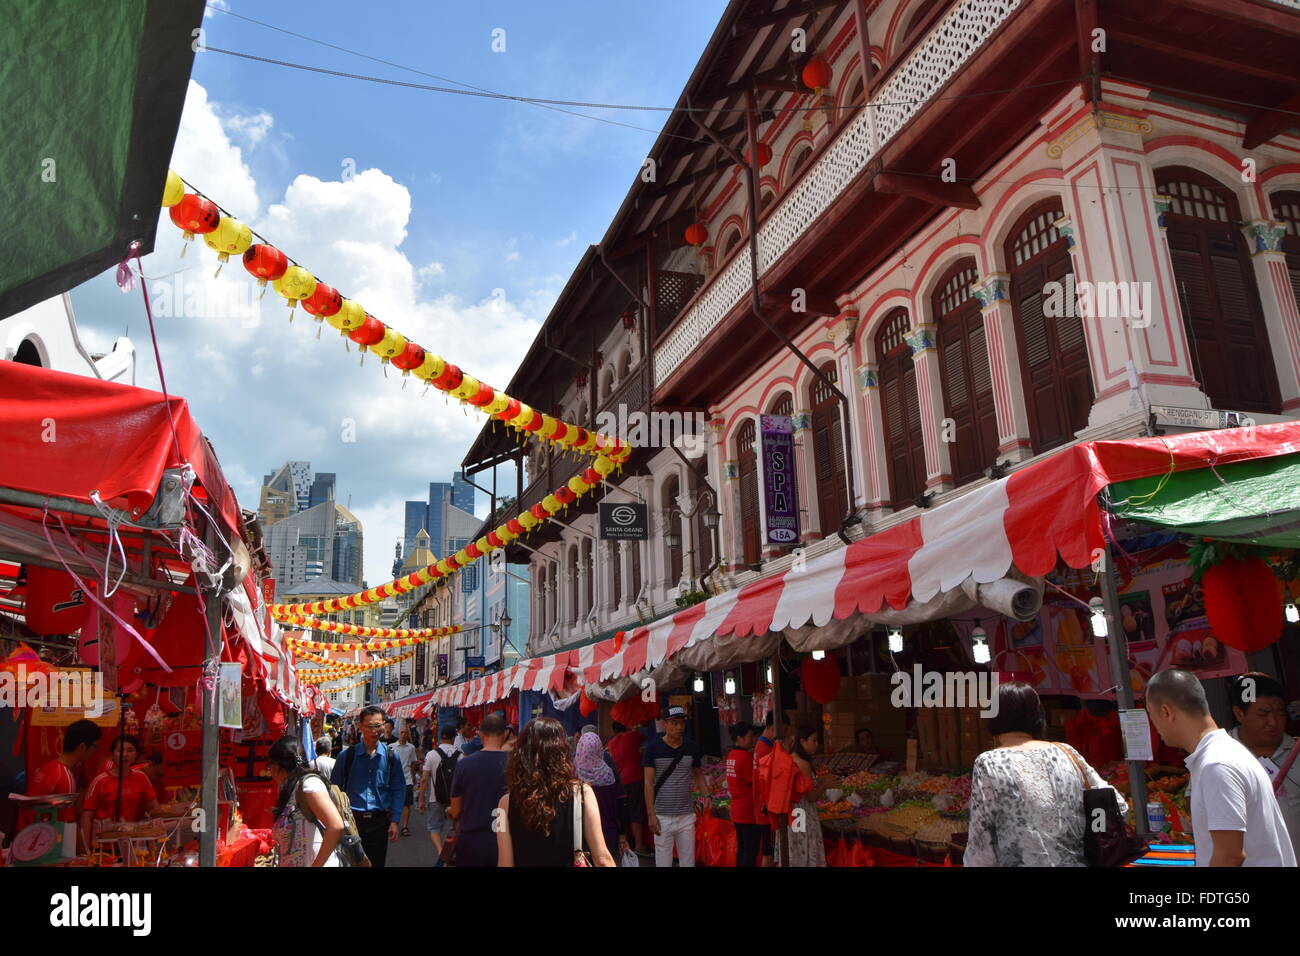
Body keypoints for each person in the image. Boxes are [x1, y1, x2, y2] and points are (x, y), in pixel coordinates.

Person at [965, 681, 1127, 867]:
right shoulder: (1066, 752)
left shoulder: (989, 762)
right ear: (1038, 715)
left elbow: (980, 840)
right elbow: (1118, 806)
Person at [1146, 668, 1296, 867]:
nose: (1154, 726)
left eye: (1151, 715)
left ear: (1166, 712)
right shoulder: (1224, 753)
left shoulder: (1217, 764)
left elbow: (1230, 856)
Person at [497, 717, 616, 867]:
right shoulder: (583, 794)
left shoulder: (504, 805)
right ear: (562, 751)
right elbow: (602, 859)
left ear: (521, 754)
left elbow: (505, 863)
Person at [1229, 673, 1300, 861]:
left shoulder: (1296, 752)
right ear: (1239, 713)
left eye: (1280, 714)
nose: (1273, 723)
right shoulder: (1220, 756)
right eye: (1263, 714)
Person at [330, 705, 406, 868]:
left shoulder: (391, 756)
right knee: (350, 863)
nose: (375, 730)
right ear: (361, 727)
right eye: (370, 726)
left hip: (379, 821)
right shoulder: (347, 756)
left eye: (378, 725)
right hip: (352, 821)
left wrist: (395, 820)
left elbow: (398, 788)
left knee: (376, 863)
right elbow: (334, 789)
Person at [267, 735, 345, 867]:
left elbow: (336, 826)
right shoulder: (292, 789)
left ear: (280, 765)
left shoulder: (309, 784)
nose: (269, 770)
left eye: (270, 764)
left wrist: (317, 865)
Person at [643, 706, 705, 868]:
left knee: (688, 862)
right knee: (663, 862)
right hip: (662, 816)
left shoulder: (692, 747)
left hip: (686, 816)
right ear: (665, 724)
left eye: (682, 723)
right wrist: (651, 814)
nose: (679, 727)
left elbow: (698, 774)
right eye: (675, 723)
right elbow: (648, 783)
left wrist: (707, 796)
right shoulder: (652, 749)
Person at [79, 734, 160, 854]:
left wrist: (157, 840)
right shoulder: (100, 781)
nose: (125, 754)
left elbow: (154, 809)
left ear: (136, 755)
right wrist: (84, 850)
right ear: (112, 754)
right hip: (102, 847)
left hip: (130, 843)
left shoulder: (141, 778)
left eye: (130, 750)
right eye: (120, 750)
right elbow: (87, 816)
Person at [449, 712, 510, 866]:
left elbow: (455, 811)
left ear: (480, 734)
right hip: (505, 842)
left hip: (471, 841)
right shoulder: (515, 764)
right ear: (506, 734)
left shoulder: (464, 764)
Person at [575, 730, 629, 862]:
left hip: (580, 835)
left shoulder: (573, 774)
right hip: (607, 834)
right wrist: (622, 836)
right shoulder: (609, 774)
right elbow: (621, 805)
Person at [783, 717, 827, 867]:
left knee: (795, 851)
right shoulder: (803, 765)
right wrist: (825, 785)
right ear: (802, 742)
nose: (817, 744)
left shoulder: (787, 759)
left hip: (791, 813)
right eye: (813, 740)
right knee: (804, 850)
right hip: (802, 813)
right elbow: (811, 797)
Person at [417, 725, 460, 862]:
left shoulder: (431, 754)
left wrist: (421, 799)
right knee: (452, 827)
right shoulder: (461, 756)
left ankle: (441, 852)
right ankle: (450, 852)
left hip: (435, 799)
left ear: (441, 737)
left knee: (434, 828)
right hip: (455, 799)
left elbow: (424, 779)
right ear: (454, 738)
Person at [608, 721, 649, 854]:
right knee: (636, 812)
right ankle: (639, 845)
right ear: (625, 726)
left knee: (623, 813)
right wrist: (634, 727)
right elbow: (645, 736)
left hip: (620, 782)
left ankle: (626, 845)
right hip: (634, 780)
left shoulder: (611, 743)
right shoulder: (632, 736)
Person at [726, 722, 761, 867]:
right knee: (750, 850)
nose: (752, 739)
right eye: (750, 736)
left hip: (737, 808)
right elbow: (753, 783)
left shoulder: (731, 755)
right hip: (748, 810)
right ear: (739, 738)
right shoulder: (745, 757)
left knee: (742, 849)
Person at [753, 711, 777, 867]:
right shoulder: (765, 748)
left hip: (763, 807)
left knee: (769, 851)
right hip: (766, 809)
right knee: (768, 853)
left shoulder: (762, 745)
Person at [392, 726, 418, 836]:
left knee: (406, 805)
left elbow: (413, 764)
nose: (403, 734)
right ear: (398, 733)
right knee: (392, 804)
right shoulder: (391, 747)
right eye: (402, 732)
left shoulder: (411, 748)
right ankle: (393, 824)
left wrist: (413, 779)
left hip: (407, 779)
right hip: (394, 780)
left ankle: (405, 827)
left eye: (405, 733)